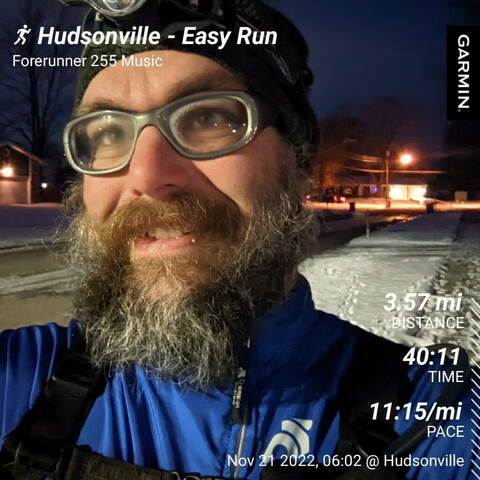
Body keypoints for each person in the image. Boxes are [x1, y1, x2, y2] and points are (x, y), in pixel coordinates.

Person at [0, 1, 476, 479]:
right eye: (107, 133)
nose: (145, 175)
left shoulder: (436, 415)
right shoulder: (19, 380)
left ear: (299, 164)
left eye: (209, 118)